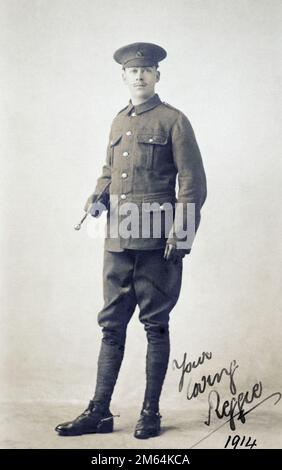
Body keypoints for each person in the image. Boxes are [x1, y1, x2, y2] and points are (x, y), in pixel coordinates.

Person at [55, 42, 207, 439]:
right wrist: (96, 198)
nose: (139, 76)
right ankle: (99, 412)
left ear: (158, 76)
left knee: (155, 325)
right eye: (132, 71)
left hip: (159, 242)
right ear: (123, 76)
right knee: (111, 326)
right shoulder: (118, 121)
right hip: (118, 240)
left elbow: (192, 182)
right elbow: (109, 171)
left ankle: (150, 412)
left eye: (147, 70)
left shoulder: (174, 120)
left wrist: (183, 234)